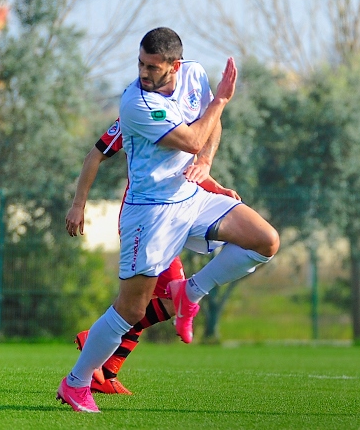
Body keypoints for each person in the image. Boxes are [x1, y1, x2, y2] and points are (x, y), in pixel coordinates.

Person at [57, 27, 279, 413]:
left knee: (265, 240)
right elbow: (193, 138)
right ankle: (76, 383)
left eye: (152, 66)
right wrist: (221, 101)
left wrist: (206, 165)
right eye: (140, 64)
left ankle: (191, 291)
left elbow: (208, 128)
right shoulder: (135, 103)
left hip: (190, 197)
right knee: (131, 309)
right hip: (150, 212)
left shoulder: (193, 74)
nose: (143, 72)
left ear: (174, 66)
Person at [64, 117, 239, 395]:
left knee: (146, 301)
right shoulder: (136, 114)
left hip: (171, 220)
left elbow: (184, 170)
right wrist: (78, 205)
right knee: (173, 299)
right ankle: (95, 338)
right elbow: (94, 155)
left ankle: (107, 373)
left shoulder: (183, 112)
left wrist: (215, 188)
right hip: (145, 223)